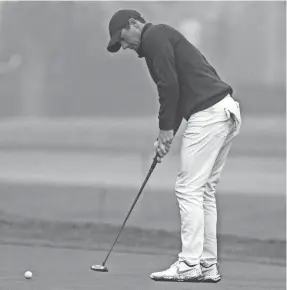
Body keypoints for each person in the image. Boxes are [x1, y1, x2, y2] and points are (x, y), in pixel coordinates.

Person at [106, 9, 241, 283]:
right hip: (224, 111)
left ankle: (189, 263)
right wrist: (166, 136)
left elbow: (169, 87)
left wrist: (165, 129)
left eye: (123, 38)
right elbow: (178, 93)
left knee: (188, 188)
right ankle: (206, 265)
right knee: (203, 191)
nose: (125, 46)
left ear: (134, 24)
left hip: (209, 113)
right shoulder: (162, 37)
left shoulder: (154, 35)